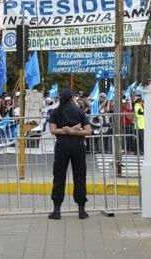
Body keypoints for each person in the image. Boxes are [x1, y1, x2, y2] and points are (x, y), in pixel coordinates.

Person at [48, 88, 92, 220]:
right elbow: (88, 131)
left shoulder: (56, 112)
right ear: (71, 98)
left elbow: (52, 130)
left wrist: (66, 130)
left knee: (59, 176)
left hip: (62, 145)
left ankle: (56, 210)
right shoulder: (79, 111)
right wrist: (74, 131)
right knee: (79, 176)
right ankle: (81, 210)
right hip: (78, 146)